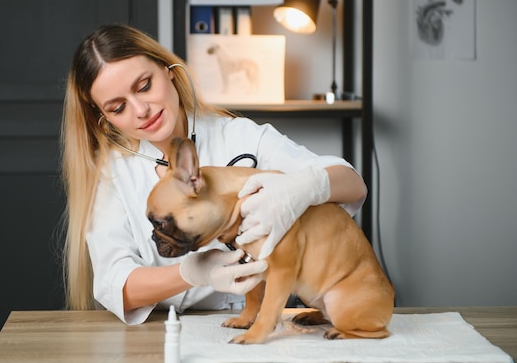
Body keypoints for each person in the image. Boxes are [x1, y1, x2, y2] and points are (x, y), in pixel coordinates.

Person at [60, 24, 367, 324]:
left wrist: (305, 187)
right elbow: (115, 284)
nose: (141, 109)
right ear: (105, 120)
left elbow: (352, 184)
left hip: (266, 324)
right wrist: (192, 273)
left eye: (144, 86)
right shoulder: (114, 174)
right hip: (167, 332)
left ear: (169, 70)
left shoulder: (241, 136)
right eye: (118, 108)